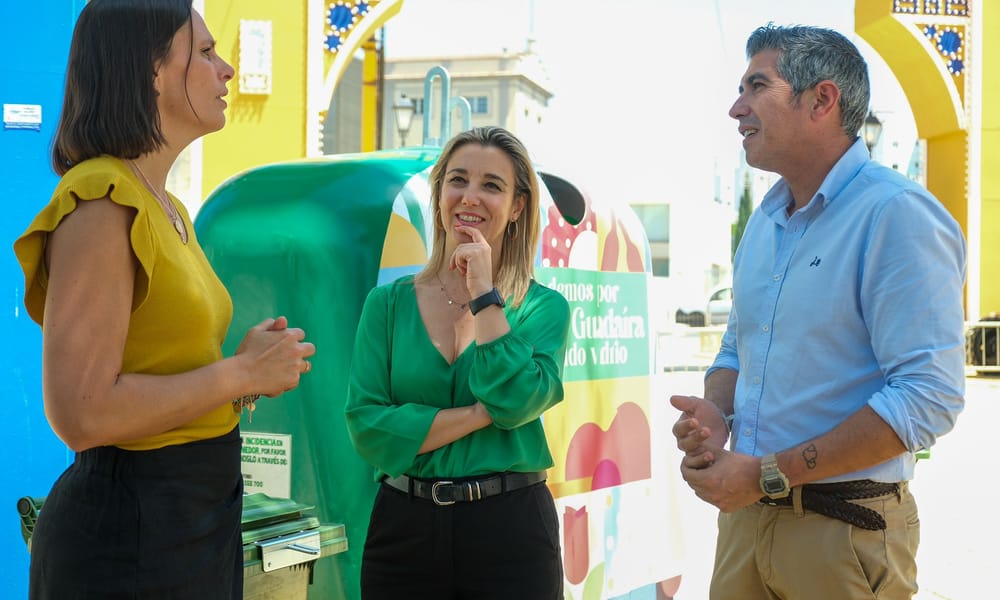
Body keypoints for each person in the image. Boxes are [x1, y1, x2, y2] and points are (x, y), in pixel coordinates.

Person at [13, 1, 316, 597]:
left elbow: (155, 372)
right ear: (150, 70)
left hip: (189, 521)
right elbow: (82, 411)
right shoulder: (102, 198)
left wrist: (246, 374)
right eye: (204, 52)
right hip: (130, 533)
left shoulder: (168, 208)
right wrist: (237, 373)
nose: (225, 69)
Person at [670, 24, 966, 600]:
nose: (736, 108)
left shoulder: (896, 214)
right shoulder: (766, 220)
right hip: (746, 525)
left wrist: (766, 473)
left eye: (757, 86)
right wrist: (717, 410)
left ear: (822, 100)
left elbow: (929, 396)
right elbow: (739, 342)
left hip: (844, 535)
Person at [345, 126, 570, 599]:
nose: (470, 197)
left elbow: (513, 402)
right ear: (440, 192)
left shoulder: (542, 308)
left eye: (492, 185)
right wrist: (477, 414)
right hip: (402, 530)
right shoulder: (386, 305)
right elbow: (368, 427)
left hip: (510, 529)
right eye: (458, 180)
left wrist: (485, 294)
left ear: (517, 207)